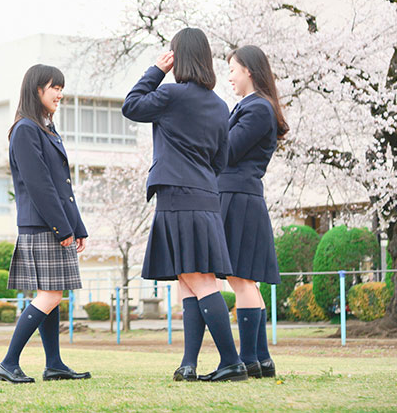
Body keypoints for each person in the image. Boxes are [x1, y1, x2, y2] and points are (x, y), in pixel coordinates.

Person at [122, 27, 246, 383]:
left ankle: (231, 362)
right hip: (206, 196)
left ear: (178, 58)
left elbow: (131, 106)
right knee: (187, 280)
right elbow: (221, 159)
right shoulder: (220, 106)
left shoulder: (170, 95)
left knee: (198, 279)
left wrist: (156, 70)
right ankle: (188, 364)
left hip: (177, 196)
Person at [0, 64, 91, 384]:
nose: (60, 94)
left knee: (52, 294)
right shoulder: (25, 129)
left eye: (61, 88)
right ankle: (8, 363)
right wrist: (62, 228)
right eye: (55, 88)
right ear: (37, 90)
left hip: (53, 224)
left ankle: (54, 365)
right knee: (49, 296)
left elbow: (63, 186)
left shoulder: (46, 129)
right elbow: (39, 186)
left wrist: (78, 227)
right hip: (41, 226)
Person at [216, 45, 289, 379]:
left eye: (232, 69)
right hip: (242, 196)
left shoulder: (257, 108)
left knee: (241, 278)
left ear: (248, 70)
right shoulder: (255, 106)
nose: (229, 77)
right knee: (245, 279)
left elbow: (228, 150)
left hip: (238, 196)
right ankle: (261, 358)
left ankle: (248, 358)